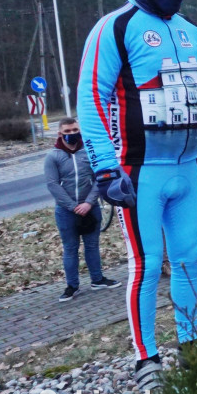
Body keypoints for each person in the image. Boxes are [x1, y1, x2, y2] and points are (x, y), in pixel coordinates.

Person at [77, 0, 197, 391]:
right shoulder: (116, 27)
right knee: (147, 265)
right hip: (139, 173)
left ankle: (191, 348)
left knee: (188, 261)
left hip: (188, 170)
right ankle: (146, 358)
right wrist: (106, 168)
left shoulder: (193, 33)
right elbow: (91, 98)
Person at [44, 118, 120, 302]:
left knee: (92, 245)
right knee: (70, 248)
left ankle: (97, 279)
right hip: (65, 211)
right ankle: (72, 286)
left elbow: (98, 178)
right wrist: (72, 206)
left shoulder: (89, 151)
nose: (71, 134)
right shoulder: (53, 156)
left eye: (74, 130)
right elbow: (53, 184)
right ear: (60, 133)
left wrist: (88, 202)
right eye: (67, 131)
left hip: (90, 207)